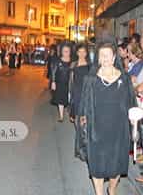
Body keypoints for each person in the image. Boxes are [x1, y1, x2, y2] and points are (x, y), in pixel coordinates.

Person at [79, 42, 136, 195]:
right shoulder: (91, 79)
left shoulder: (124, 79)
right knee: (96, 162)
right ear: (98, 58)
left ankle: (112, 188)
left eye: (107, 55)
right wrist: (83, 117)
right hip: (96, 128)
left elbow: (131, 102)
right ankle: (99, 193)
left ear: (114, 57)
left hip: (118, 129)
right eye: (101, 55)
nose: (104, 58)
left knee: (116, 163)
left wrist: (133, 118)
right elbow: (84, 102)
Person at [69, 44, 90, 160]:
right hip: (76, 95)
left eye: (84, 51)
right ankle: (80, 147)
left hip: (86, 95)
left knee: (84, 121)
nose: (82, 53)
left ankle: (85, 146)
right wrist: (70, 98)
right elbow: (71, 83)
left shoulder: (90, 66)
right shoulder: (73, 65)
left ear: (86, 53)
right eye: (79, 51)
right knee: (77, 122)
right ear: (76, 53)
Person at [51, 43, 72, 122]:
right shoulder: (58, 61)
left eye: (67, 51)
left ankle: (70, 113)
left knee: (69, 99)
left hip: (69, 84)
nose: (66, 53)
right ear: (62, 52)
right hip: (60, 83)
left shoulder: (72, 62)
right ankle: (61, 116)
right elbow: (54, 71)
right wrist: (53, 82)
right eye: (64, 51)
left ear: (70, 52)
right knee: (60, 99)